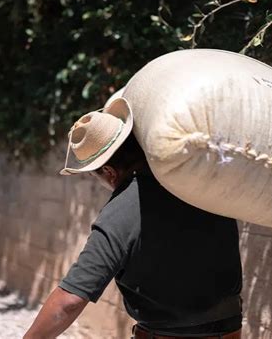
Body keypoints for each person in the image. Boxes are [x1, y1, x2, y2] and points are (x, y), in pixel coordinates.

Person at [24, 98, 243, 339]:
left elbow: (70, 301)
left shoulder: (122, 211)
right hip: (231, 331)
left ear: (108, 171)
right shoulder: (201, 181)